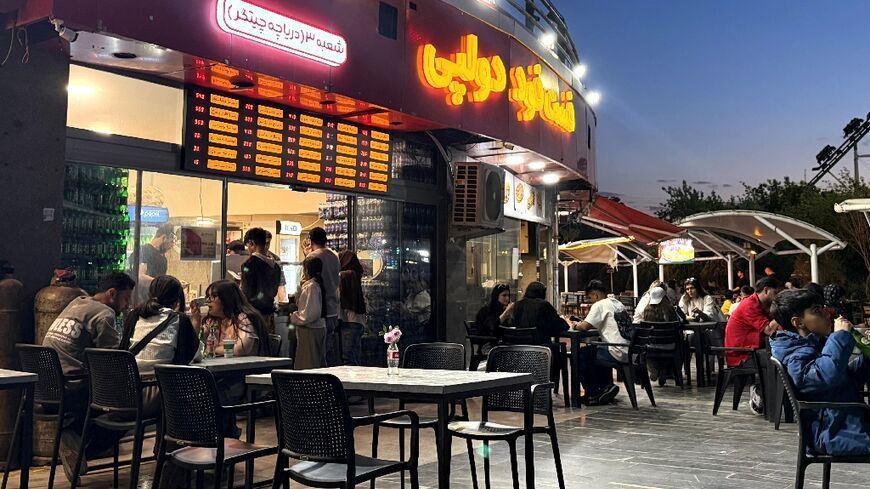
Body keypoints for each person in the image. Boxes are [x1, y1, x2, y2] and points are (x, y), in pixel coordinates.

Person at [42, 272, 135, 482]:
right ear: (112, 293)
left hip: (46, 390)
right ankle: (76, 440)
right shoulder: (104, 314)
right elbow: (112, 360)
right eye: (126, 298)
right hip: (73, 392)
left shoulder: (77, 302)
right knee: (127, 411)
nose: (127, 304)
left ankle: (74, 438)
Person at [769, 289, 870, 455]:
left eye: (823, 307)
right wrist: (839, 336)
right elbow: (826, 377)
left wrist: (867, 359)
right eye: (816, 311)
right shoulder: (795, 356)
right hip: (831, 431)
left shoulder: (812, 345)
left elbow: (844, 381)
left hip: (846, 423)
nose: (826, 313)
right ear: (798, 322)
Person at [724, 276, 782, 414]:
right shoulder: (750, 305)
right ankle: (760, 391)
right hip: (741, 354)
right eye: (776, 293)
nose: (777, 297)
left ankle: (767, 395)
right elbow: (768, 329)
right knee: (778, 361)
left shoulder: (759, 304)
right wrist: (782, 314)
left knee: (780, 357)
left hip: (751, 349)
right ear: (766, 290)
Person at [120, 275, 199, 376]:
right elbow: (192, 356)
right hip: (163, 387)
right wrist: (196, 322)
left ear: (150, 293)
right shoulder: (179, 319)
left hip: (131, 385)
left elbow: (123, 348)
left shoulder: (135, 315)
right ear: (177, 299)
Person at [572, 280, 628, 405]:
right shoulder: (617, 303)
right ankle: (606, 387)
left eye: (590, 297)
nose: (590, 300)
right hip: (629, 349)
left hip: (617, 351)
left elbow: (585, 326)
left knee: (581, 355)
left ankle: (593, 394)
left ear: (595, 295)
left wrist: (575, 325)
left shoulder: (599, 305)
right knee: (594, 351)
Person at [191, 280, 271, 357]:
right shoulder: (213, 321)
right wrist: (196, 321)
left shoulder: (243, 319)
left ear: (227, 299)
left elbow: (241, 349)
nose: (208, 301)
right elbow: (195, 346)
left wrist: (212, 349)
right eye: (208, 296)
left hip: (247, 368)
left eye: (214, 296)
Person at [307, 227, 341, 365]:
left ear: (311, 240)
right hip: (333, 308)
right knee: (328, 348)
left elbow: (307, 280)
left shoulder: (312, 257)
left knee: (317, 352)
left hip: (319, 309)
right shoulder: (334, 255)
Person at [241, 227, 282, 332]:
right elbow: (273, 291)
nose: (248, 249)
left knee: (254, 345)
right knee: (269, 344)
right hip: (269, 314)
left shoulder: (249, 264)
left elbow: (247, 293)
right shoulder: (275, 266)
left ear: (252, 243)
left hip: (254, 316)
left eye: (248, 246)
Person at [290, 256, 328, 369]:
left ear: (306, 270)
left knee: (308, 365)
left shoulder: (312, 287)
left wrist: (294, 317)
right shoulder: (314, 285)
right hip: (315, 329)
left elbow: (310, 314)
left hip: (310, 330)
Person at [640, 287, 679, 383]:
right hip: (669, 345)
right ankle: (665, 371)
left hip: (651, 346)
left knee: (644, 348)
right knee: (681, 344)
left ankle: (654, 370)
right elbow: (679, 322)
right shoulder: (670, 310)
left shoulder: (646, 311)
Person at [338, 250, 367, 366]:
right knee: (355, 355)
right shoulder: (355, 274)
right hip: (358, 320)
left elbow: (338, 296)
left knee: (347, 357)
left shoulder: (344, 275)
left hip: (348, 320)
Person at [137, 224, 175, 303]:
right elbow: (141, 277)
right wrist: (165, 283)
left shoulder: (163, 259)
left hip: (155, 302)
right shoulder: (145, 250)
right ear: (164, 238)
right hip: (142, 302)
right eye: (171, 242)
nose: (171, 246)